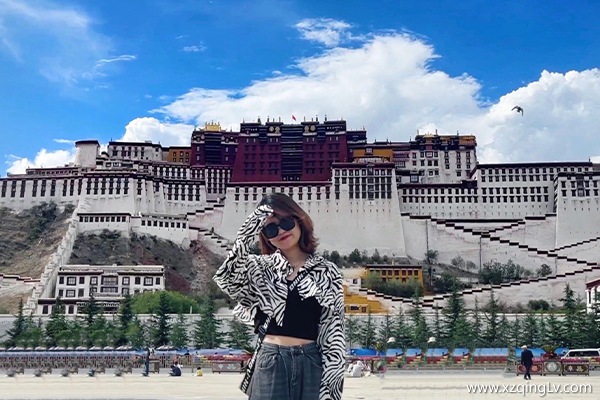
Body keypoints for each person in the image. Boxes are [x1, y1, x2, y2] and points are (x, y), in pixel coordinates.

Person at [214, 193, 345, 400]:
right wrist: (247, 232)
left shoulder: (327, 271)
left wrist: (331, 391)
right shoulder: (260, 268)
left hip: (311, 362)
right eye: (271, 228)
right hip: (271, 361)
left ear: (299, 220)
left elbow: (333, 332)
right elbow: (227, 279)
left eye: (286, 222)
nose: (281, 231)